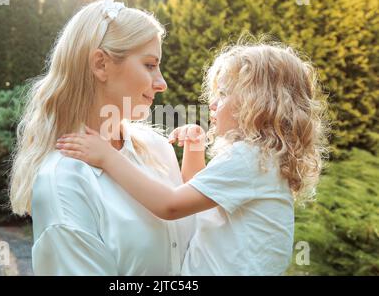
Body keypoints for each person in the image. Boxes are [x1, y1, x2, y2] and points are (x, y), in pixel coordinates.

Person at [56, 40, 328, 275]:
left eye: (223, 94)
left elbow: (171, 206)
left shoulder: (249, 159)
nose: (212, 103)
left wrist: (107, 158)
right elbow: (197, 196)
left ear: (257, 104)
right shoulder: (261, 159)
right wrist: (195, 149)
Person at [9, 0, 195, 275]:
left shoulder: (159, 149)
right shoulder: (63, 182)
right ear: (101, 64)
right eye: (149, 65)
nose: (162, 83)